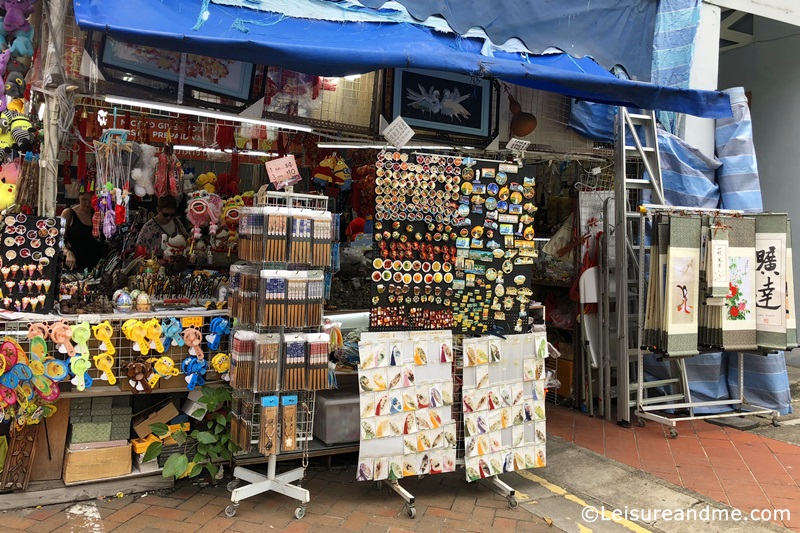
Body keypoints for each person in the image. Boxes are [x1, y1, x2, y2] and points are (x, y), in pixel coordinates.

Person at [62, 190, 107, 271]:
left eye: (91, 200)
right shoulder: (69, 213)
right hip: (74, 265)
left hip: (96, 266)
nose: (87, 204)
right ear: (79, 197)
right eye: (84, 200)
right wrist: (67, 252)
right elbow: (58, 239)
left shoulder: (98, 214)